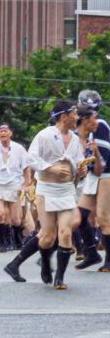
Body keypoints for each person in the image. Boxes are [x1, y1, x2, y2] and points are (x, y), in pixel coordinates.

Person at [3, 101, 87, 287]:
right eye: (74, 114)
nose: (77, 118)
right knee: (47, 237)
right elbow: (31, 158)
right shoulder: (44, 135)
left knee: (65, 233)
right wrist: (51, 168)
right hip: (47, 190)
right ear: (63, 116)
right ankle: (45, 265)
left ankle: (60, 279)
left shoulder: (74, 139)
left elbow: (79, 160)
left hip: (66, 190)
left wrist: (82, 169)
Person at [75, 91, 110, 271]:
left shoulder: (101, 124)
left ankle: (109, 260)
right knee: (80, 216)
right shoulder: (80, 129)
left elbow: (102, 158)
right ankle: (91, 253)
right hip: (93, 175)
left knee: (104, 218)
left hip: (105, 175)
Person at [0, 124, 30, 253]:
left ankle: (16, 239)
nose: (3, 133)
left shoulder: (19, 148)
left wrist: (25, 184)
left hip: (14, 183)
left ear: (11, 133)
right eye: (0, 131)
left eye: (5, 131)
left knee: (15, 219)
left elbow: (26, 167)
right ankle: (2, 243)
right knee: (0, 214)